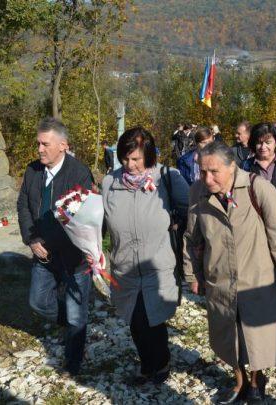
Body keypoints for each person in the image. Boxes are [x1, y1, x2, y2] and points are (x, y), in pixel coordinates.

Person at [183, 141, 276, 404]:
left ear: (231, 166)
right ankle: (239, 380)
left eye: (214, 171)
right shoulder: (198, 193)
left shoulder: (257, 188)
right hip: (220, 280)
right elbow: (192, 239)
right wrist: (193, 276)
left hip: (257, 280)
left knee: (256, 335)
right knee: (228, 334)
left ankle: (257, 380)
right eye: (202, 171)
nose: (207, 178)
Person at [102, 127, 189, 384]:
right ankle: (147, 361)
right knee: (135, 319)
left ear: (149, 155)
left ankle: (159, 362)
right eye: (125, 158)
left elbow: (191, 210)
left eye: (136, 159)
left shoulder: (168, 177)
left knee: (152, 317)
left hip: (157, 261)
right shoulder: (110, 183)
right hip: (125, 264)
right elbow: (101, 220)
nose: (130, 165)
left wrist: (179, 228)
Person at [17, 117, 94, 376]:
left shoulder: (79, 173)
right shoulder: (32, 171)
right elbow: (24, 206)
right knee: (38, 302)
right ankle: (74, 325)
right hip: (43, 254)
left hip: (74, 257)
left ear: (63, 145)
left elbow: (80, 218)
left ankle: (73, 363)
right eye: (38, 143)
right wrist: (32, 238)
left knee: (76, 314)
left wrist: (51, 241)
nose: (39, 149)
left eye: (45, 144)